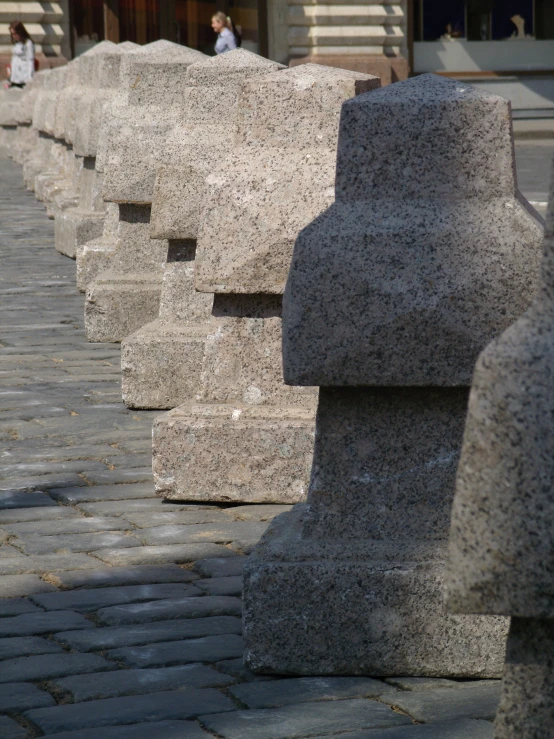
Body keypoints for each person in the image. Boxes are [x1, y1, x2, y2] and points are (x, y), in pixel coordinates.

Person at [6, 21, 35, 88]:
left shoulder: (28, 43)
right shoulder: (17, 43)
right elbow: (14, 58)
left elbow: (30, 60)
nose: (13, 36)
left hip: (23, 76)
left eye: (15, 33)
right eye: (12, 34)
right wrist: (10, 71)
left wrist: (30, 78)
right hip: (14, 76)